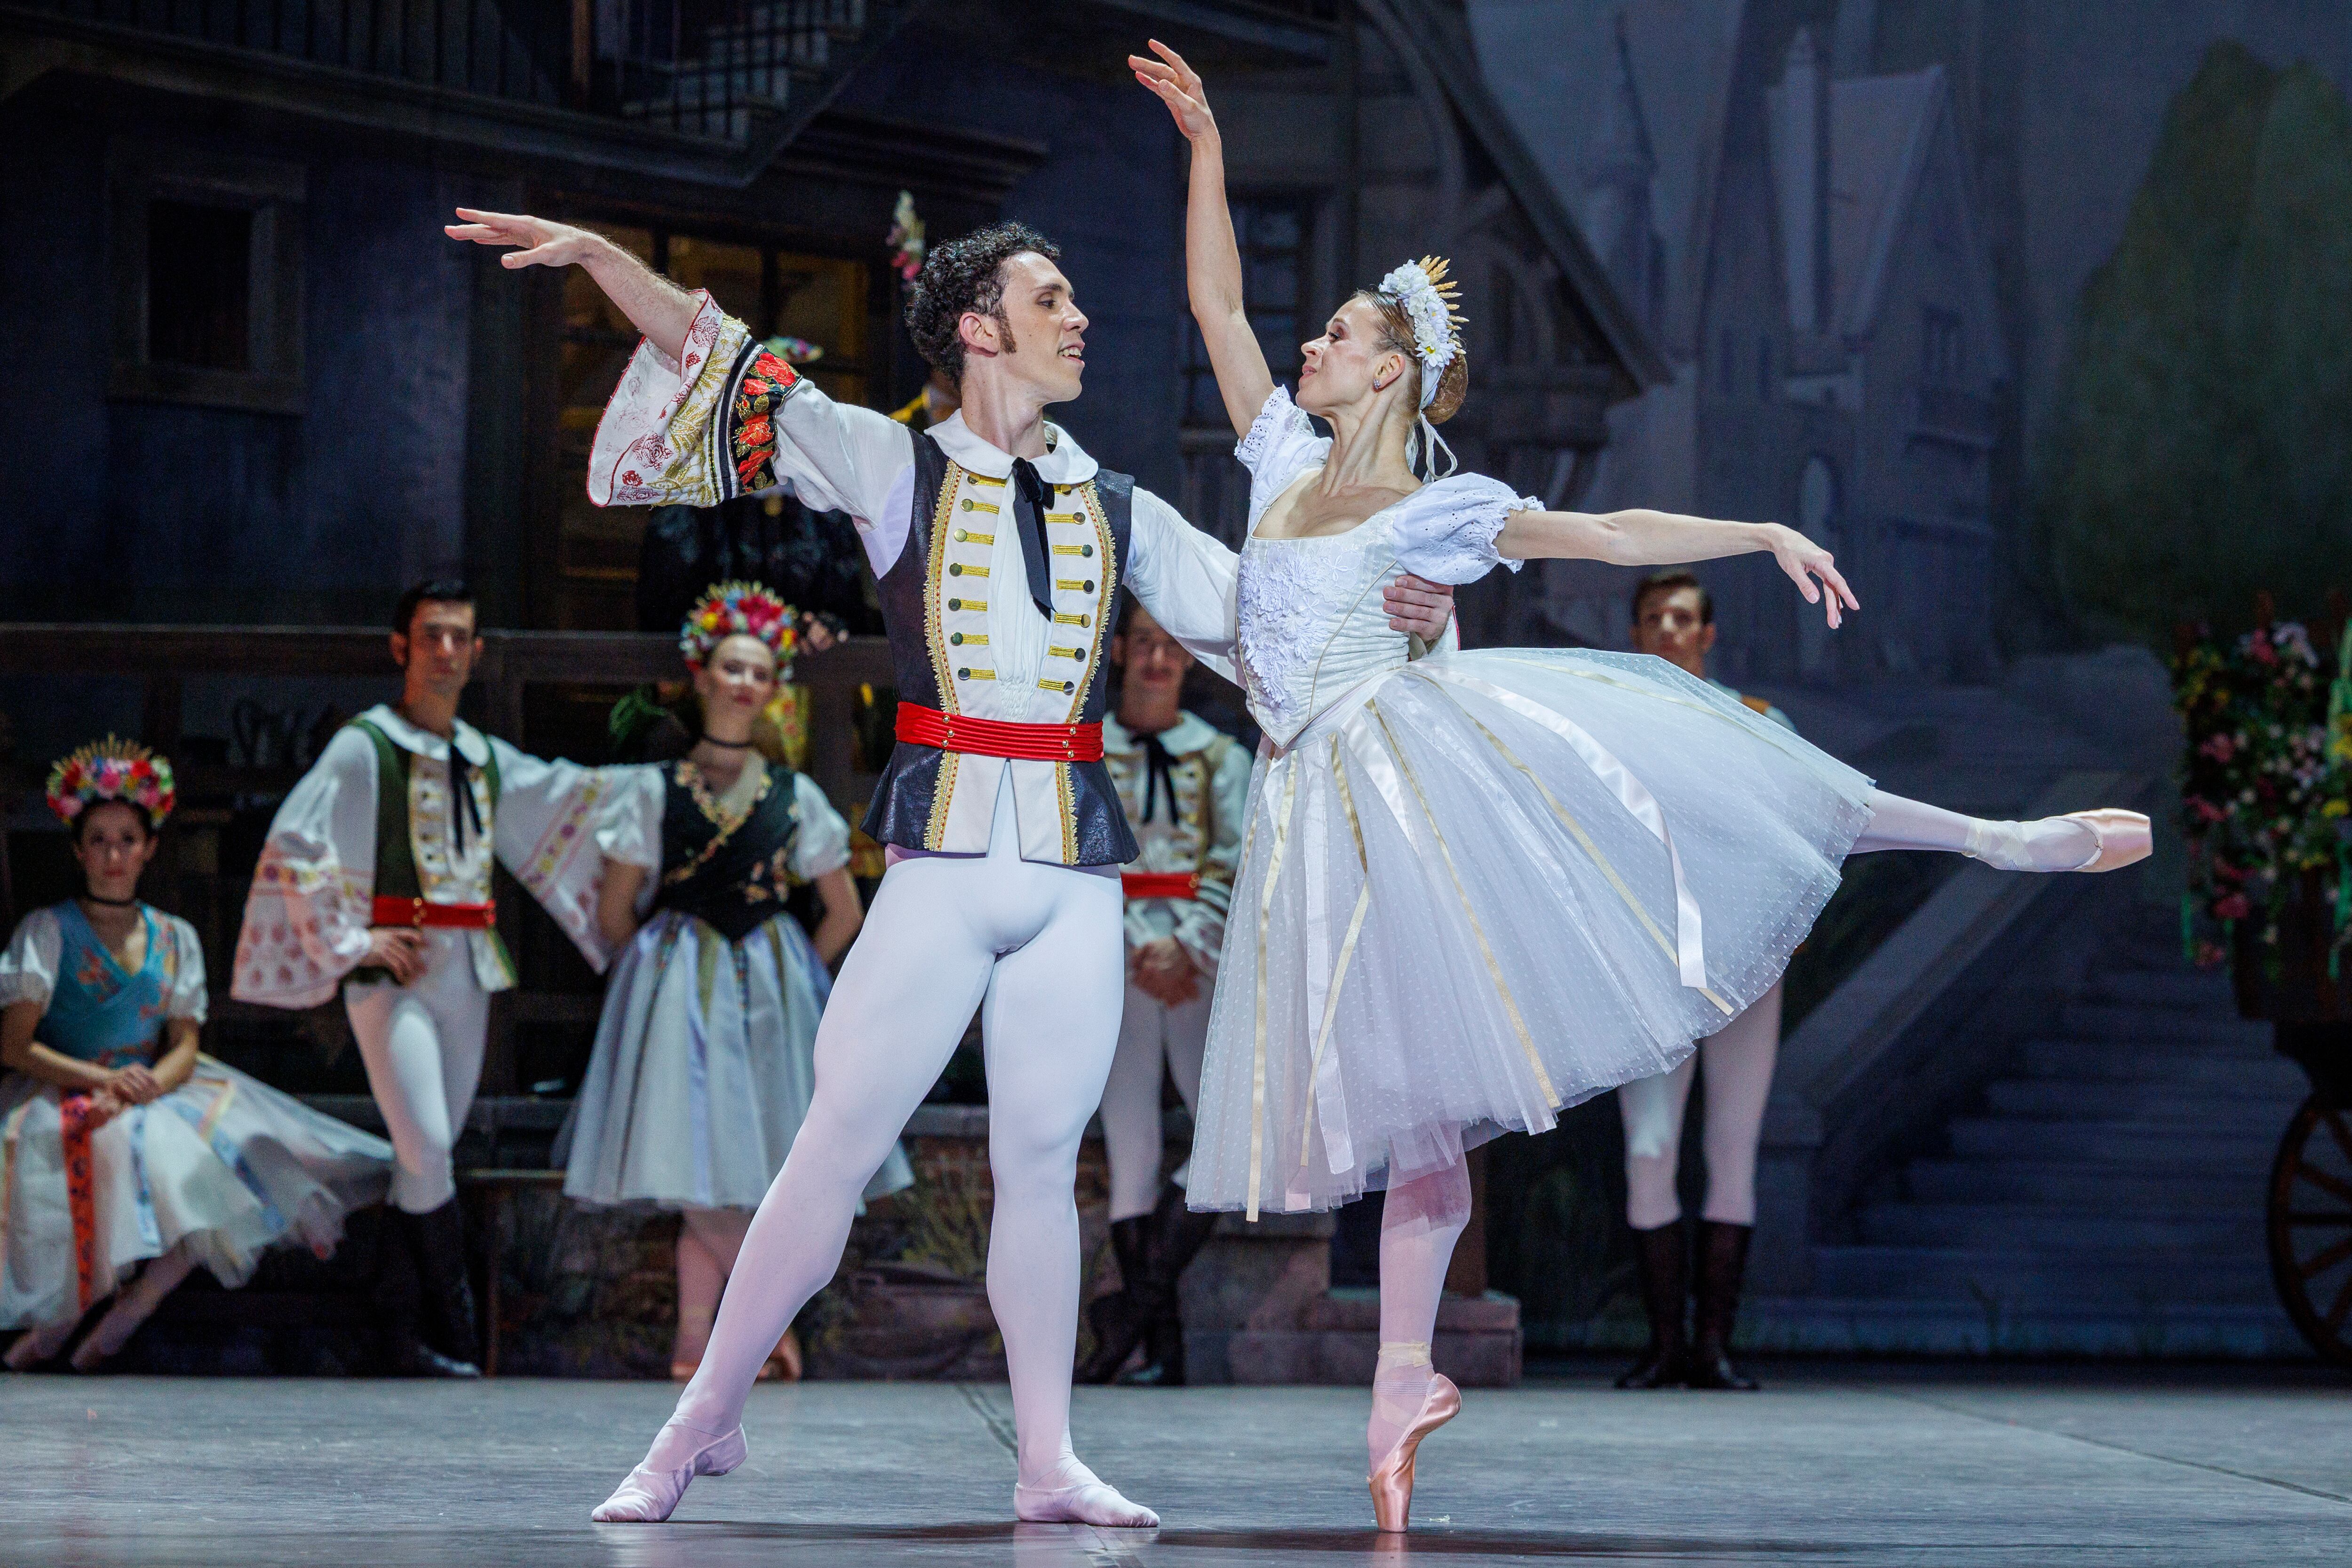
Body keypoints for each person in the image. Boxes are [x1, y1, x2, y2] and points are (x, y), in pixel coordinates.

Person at [1132, 39, 2151, 1532]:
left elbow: (1604, 536)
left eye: (1339, 334)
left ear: (1393, 365)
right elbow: (1217, 300)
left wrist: (1757, 529)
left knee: (1712, 772)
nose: (1311, 348)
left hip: (1403, 782)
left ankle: (1994, 834)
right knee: (1415, 1123)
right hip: (1310, 809)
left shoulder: (1447, 498)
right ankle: (1404, 1381)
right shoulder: (1281, 458)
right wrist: (1206, 142)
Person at [446, 204, 1457, 1527]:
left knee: (1044, 1164)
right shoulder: (890, 464)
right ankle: (704, 1416)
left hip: (1074, 871)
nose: (1079, 318)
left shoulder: (1120, 504)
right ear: (981, 328)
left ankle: (1047, 1457)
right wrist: (602, 263)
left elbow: (1271, 615)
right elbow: (726, 358)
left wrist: (1411, 598)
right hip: (943, 856)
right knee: (832, 1144)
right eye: (1053, 299)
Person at [231, 581, 616, 1378]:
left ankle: (398, 1333)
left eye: (459, 637)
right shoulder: (365, 744)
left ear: (476, 653)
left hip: (466, 969)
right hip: (395, 972)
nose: (446, 650)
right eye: (432, 634)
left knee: (424, 1157)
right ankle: (456, 1326)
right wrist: (354, 936)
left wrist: (665, 788)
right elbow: (299, 843)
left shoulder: (479, 757)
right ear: (402, 647)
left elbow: (565, 794)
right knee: (428, 1141)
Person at [561, 581, 912, 1383]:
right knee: (694, 1162)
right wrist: (656, 970)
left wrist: (791, 976)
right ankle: (733, 1336)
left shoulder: (792, 796)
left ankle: (715, 1338)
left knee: (756, 1171)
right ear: (703, 677)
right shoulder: (656, 789)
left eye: (760, 671)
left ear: (773, 688)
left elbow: (842, 910)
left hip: (768, 989)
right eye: (732, 668)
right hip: (682, 984)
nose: (745, 683)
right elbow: (617, 911)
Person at [3, 741, 392, 1370]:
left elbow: (185, 1042)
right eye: (97, 840)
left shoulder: (174, 937)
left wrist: (143, 1085)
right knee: (97, 1153)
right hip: (67, 1085)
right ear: (77, 850)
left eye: (126, 838)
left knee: (223, 1166)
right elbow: (14, 1044)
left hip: (152, 1085)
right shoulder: (49, 932)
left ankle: (138, 1304)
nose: (112, 854)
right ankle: (64, 1318)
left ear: (149, 847)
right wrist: (105, 1079)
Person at [1614, 570, 1792, 1393]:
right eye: (1655, 618)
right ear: (1638, 632)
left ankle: (1713, 1345)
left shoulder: (1760, 726)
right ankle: (1664, 1344)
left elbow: (1801, 841)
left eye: (1683, 618)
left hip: (1745, 964)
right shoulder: (1611, 729)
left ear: (1708, 634)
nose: (1669, 631)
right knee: (1649, 1150)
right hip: (1654, 966)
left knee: (1732, 1150)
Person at [1076, 601, 1250, 1387]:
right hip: (1114, 957)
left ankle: (1134, 1317)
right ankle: (1163, 1347)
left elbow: (1232, 855)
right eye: (1144, 644)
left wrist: (1186, 943)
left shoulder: (1217, 753)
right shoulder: (1084, 749)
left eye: (1171, 648)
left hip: (1194, 959)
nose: (1156, 660)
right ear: (1118, 651)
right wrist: (1128, 939)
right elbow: (1077, 851)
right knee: (1132, 1148)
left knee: (1224, 1137)